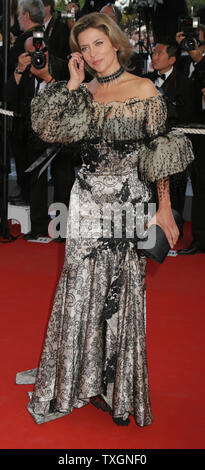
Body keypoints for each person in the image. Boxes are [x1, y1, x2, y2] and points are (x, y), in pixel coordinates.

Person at [17, 13, 194, 426]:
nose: (93, 54)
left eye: (99, 43)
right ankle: (80, 378)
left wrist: (164, 208)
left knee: (121, 289)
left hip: (128, 202)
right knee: (80, 289)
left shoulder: (144, 88)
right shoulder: (83, 92)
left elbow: (159, 153)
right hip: (86, 203)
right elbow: (48, 129)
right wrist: (74, 85)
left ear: (115, 42)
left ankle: (114, 384)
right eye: (84, 48)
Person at [6, 36, 75, 239]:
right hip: (34, 133)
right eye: (32, 53)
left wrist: (46, 77)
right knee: (36, 181)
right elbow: (8, 96)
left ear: (48, 50)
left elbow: (70, 99)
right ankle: (38, 227)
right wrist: (19, 70)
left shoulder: (63, 67)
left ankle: (62, 230)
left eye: (41, 51)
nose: (38, 56)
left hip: (62, 135)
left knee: (63, 179)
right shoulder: (24, 69)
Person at [144, 37, 196, 215]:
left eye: (159, 53)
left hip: (173, 150)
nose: (154, 56)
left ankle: (174, 229)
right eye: (153, 53)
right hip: (148, 149)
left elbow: (187, 115)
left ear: (172, 59)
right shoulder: (145, 80)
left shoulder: (185, 84)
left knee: (174, 194)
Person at [176, 27, 205, 255]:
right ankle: (200, 239)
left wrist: (200, 60)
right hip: (195, 135)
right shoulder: (185, 65)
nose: (194, 46)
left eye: (199, 43)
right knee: (199, 187)